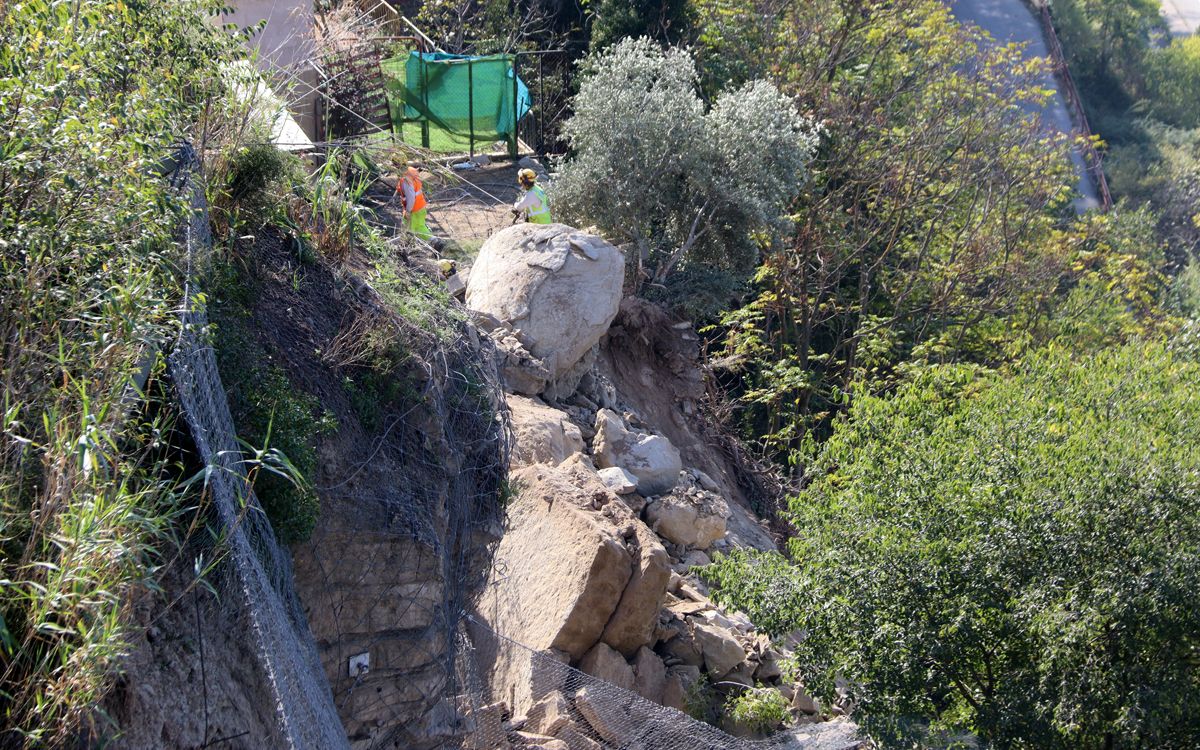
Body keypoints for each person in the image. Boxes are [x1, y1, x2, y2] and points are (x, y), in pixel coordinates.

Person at [396, 165, 432, 240]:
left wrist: (408, 211)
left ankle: (436, 241)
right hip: (420, 207)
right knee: (413, 227)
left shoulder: (405, 180)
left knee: (417, 229)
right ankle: (407, 242)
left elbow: (411, 198)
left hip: (414, 210)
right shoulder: (411, 171)